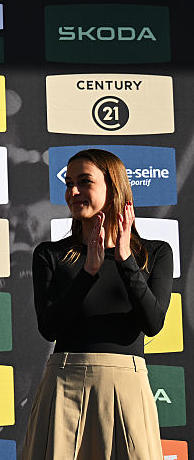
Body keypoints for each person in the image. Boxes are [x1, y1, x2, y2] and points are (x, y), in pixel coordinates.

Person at [21, 148, 172, 459]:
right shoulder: (49, 254)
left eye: (84, 181)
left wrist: (126, 259)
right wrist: (88, 272)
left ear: (113, 188)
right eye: (69, 183)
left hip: (127, 387)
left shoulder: (156, 253)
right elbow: (49, 328)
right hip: (65, 384)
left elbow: (152, 323)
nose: (73, 191)